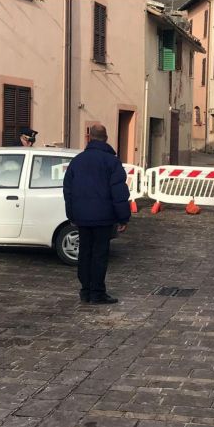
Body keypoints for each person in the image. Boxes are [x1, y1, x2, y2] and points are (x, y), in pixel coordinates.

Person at [62, 124, 130, 305]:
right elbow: (119, 192)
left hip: (82, 217)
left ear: (89, 138)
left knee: (85, 253)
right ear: (106, 138)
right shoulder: (112, 162)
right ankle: (97, 292)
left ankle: (85, 290)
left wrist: (71, 214)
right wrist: (123, 217)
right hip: (104, 217)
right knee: (99, 255)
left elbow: (68, 190)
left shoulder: (77, 161)